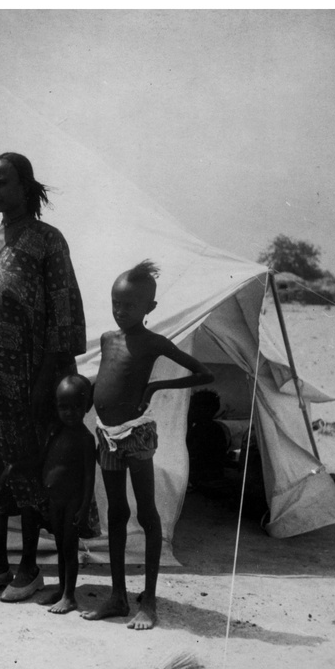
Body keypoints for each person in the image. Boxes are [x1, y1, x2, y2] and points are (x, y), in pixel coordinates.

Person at [0, 152, 86, 602]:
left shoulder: (48, 240)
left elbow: (63, 313)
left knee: (26, 462)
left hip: (25, 375)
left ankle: (29, 567)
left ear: (25, 186)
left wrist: (44, 382)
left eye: (1, 183)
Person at [81, 261, 214, 629]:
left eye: (129, 306)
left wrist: (154, 388)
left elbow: (205, 373)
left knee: (148, 514)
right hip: (107, 437)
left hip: (136, 436)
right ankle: (118, 597)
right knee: (116, 515)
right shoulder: (109, 340)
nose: (120, 311)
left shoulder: (153, 342)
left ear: (149, 309)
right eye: (115, 303)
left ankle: (149, 601)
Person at [38, 374, 96, 614]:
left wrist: (83, 508)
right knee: (60, 547)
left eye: (75, 407)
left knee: (69, 549)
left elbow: (89, 477)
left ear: (86, 407)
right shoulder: (56, 433)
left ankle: (70, 596)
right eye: (63, 407)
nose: (69, 413)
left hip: (72, 502)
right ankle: (62, 589)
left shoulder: (85, 439)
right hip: (55, 501)